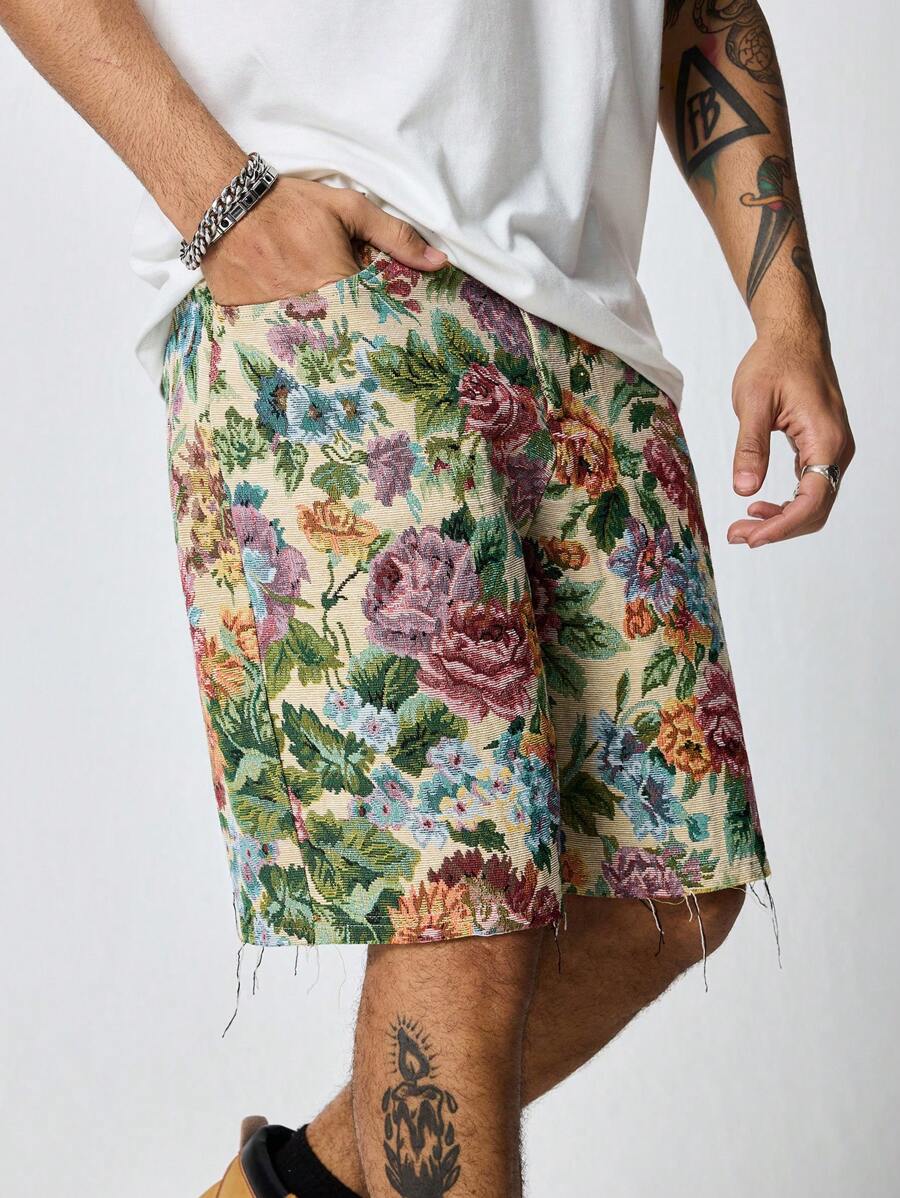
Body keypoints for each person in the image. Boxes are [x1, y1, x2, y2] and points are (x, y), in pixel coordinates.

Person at [1, 2, 854, 1196]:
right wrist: (225, 205)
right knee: (465, 914)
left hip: (590, 329)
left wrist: (786, 310)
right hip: (340, 284)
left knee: (671, 888)